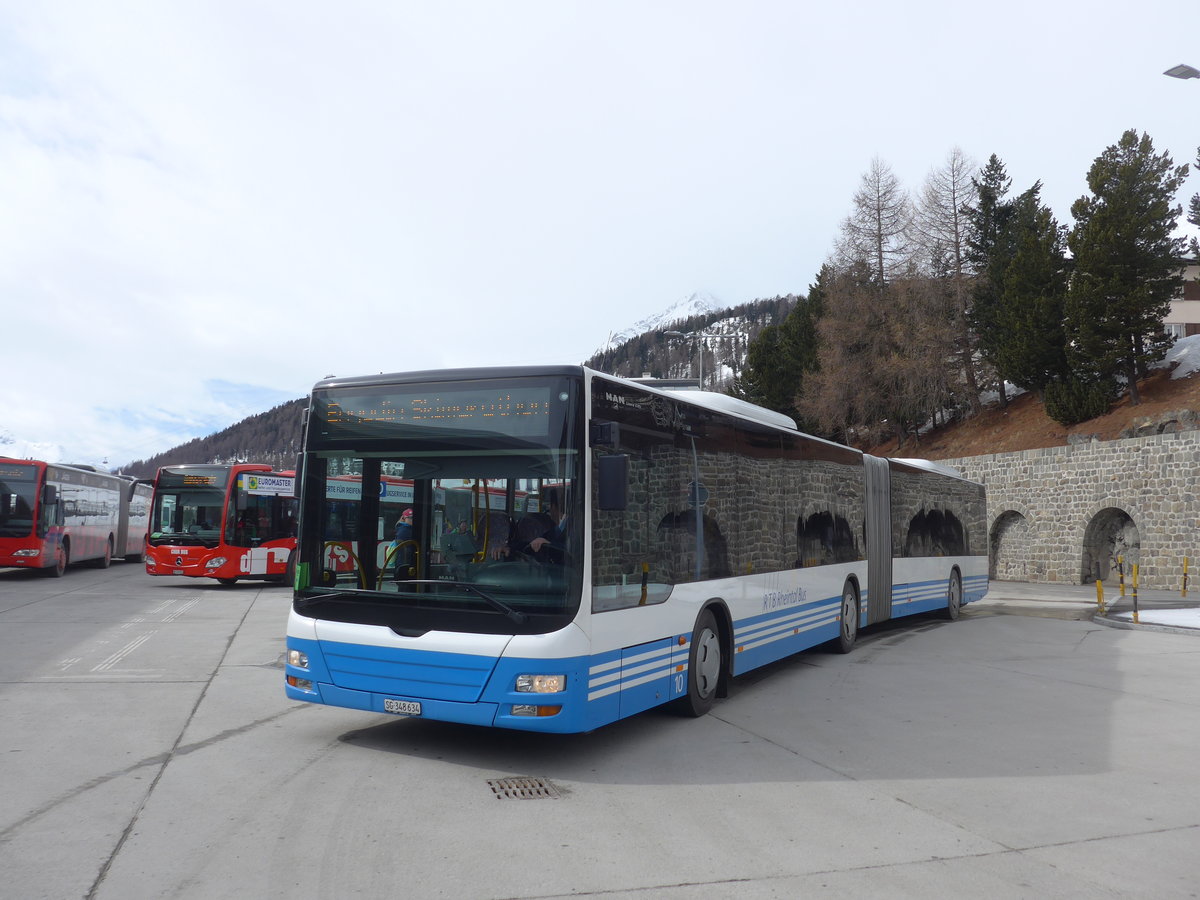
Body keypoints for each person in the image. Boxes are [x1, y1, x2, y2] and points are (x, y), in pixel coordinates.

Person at [392, 508, 415, 580]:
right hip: (405, 563)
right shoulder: (405, 530)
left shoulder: (402, 528)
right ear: (404, 518)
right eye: (410, 518)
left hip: (403, 563)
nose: (412, 520)